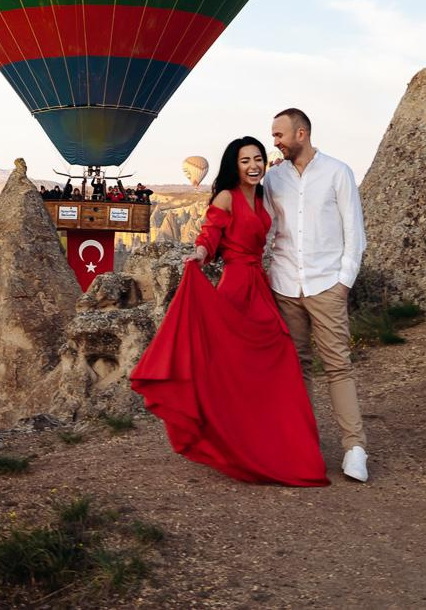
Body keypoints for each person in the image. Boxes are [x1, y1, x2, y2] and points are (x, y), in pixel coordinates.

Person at [129, 137, 328, 486]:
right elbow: (211, 234)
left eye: (258, 159)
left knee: (278, 358)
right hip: (237, 285)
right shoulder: (227, 197)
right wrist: (201, 254)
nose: (253, 165)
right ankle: (233, 440)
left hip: (259, 285)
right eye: (245, 160)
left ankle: (271, 440)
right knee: (232, 366)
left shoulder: (265, 194)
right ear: (233, 166)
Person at [264, 107, 370, 483]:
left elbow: (354, 232)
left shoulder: (338, 172)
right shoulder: (273, 179)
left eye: (279, 135)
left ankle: (354, 448)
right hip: (285, 284)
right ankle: (302, 445)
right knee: (296, 369)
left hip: (327, 284)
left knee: (338, 365)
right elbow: (263, 225)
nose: (274, 142)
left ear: (301, 134)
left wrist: (344, 283)